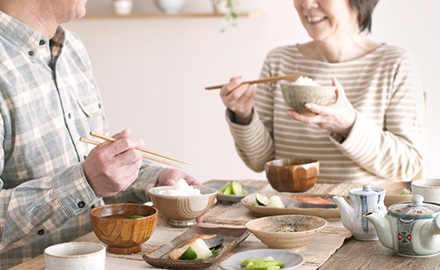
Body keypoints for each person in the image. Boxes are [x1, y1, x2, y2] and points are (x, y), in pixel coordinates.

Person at [0, 1, 201, 269]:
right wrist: (85, 182)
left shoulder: (72, 48)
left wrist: (158, 181)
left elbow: (96, 171)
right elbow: (88, 179)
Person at [220, 0, 425, 184]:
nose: (307, 4)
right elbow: (259, 161)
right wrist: (244, 115)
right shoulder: (279, 61)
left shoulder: (395, 64)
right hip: (286, 212)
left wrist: (349, 126)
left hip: (361, 218)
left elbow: (408, 165)